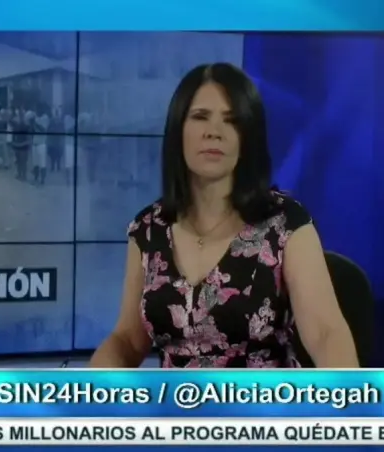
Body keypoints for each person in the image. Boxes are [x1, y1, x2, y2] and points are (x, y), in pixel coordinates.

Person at [89, 63, 358, 368]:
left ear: (247, 138)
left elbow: (325, 333)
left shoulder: (286, 223)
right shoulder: (147, 229)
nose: (213, 132)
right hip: (176, 398)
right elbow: (128, 339)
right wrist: (90, 385)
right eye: (200, 117)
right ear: (178, 130)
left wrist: (348, 393)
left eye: (231, 121)